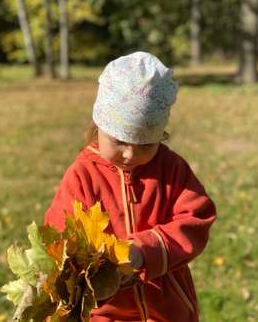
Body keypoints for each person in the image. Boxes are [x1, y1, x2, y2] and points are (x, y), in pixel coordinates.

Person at [44, 51, 216, 322]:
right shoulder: (82, 176)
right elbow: (60, 234)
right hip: (106, 312)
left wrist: (144, 251)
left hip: (168, 310)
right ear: (99, 125)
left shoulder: (171, 169)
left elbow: (196, 218)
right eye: (120, 141)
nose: (130, 155)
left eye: (145, 145)